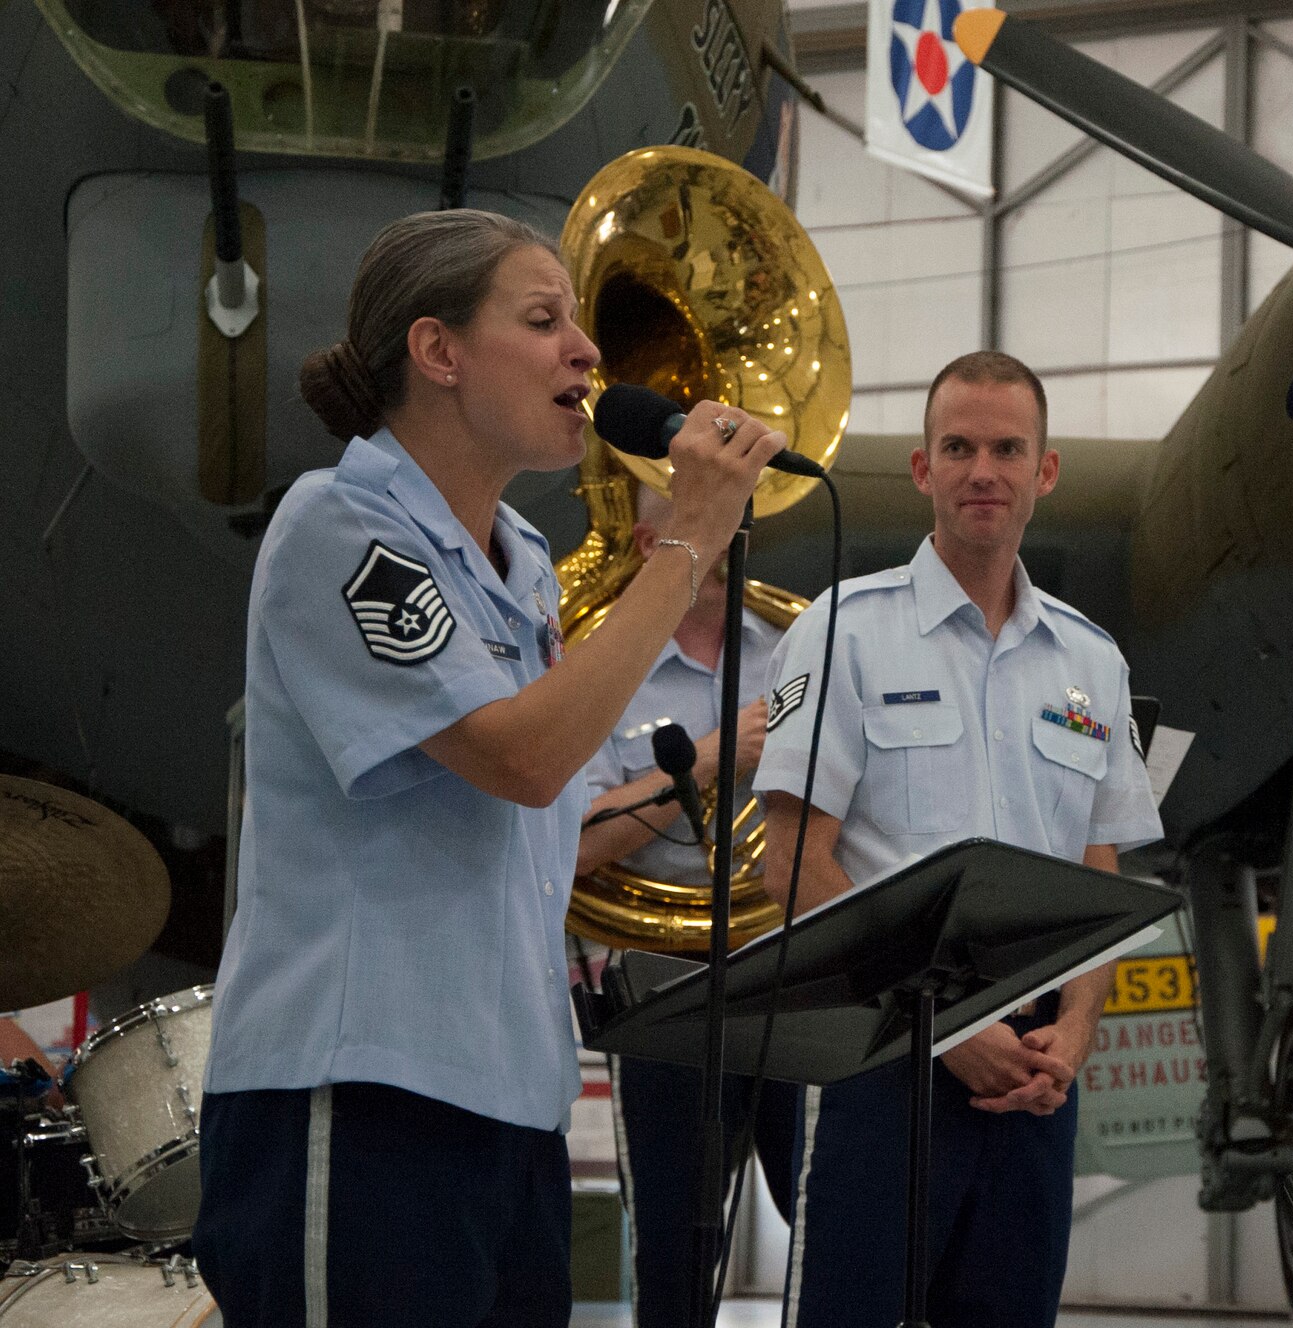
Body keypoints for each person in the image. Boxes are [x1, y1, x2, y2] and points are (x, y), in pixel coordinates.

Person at [191, 208, 786, 1328]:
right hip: (363, 1092)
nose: (586, 351)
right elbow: (520, 755)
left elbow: (556, 793)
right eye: (542, 319)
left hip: (511, 1104)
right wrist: (690, 537)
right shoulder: (338, 523)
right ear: (439, 351)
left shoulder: (519, 571)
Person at [753, 350, 1162, 1328]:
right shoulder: (842, 632)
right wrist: (946, 1029)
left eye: (1007, 448)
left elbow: (1098, 866)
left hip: (1030, 1081)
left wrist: (1073, 1032)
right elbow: (793, 865)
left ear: (1043, 470)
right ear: (921, 469)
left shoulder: (1090, 660)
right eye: (959, 446)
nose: (984, 468)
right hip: (880, 1060)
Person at [574, 481, 800, 1328]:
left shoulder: (796, 648)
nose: (733, 537)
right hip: (664, 981)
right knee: (674, 1256)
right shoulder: (600, 666)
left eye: (737, 519)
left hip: (793, 967)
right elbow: (574, 846)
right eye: (705, 521)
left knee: (831, 1231)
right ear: (644, 545)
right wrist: (708, 760)